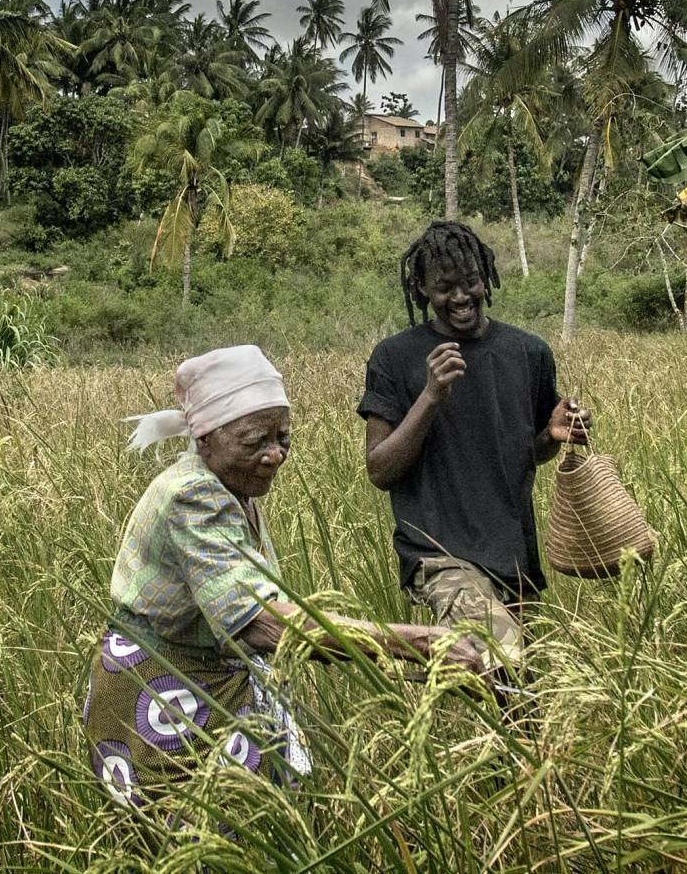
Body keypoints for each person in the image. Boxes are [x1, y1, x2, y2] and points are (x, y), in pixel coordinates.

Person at [85, 343, 484, 806]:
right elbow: (259, 624)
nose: (274, 455)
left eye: (283, 438)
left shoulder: (232, 487)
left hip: (208, 677)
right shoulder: (194, 496)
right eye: (256, 441)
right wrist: (421, 644)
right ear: (205, 438)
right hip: (164, 693)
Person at [358, 221, 591, 675]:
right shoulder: (394, 357)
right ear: (422, 289)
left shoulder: (529, 353)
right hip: (439, 555)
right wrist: (431, 397)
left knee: (521, 691)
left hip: (513, 555)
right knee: (503, 663)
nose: (461, 296)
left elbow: (529, 452)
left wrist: (552, 436)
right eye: (444, 287)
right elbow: (380, 470)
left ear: (486, 276)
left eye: (470, 281)